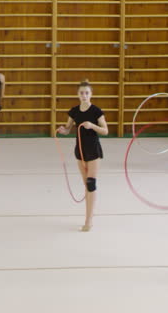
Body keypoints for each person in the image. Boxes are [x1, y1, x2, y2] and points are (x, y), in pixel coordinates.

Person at [57, 79, 108, 232]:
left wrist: (92, 125)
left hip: (93, 151)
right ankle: (88, 216)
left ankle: (89, 220)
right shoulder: (74, 111)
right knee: (86, 184)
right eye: (81, 93)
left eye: (87, 93)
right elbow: (68, 129)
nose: (84, 95)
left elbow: (105, 130)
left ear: (91, 94)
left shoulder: (96, 111)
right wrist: (63, 130)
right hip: (80, 151)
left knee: (91, 184)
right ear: (77, 94)